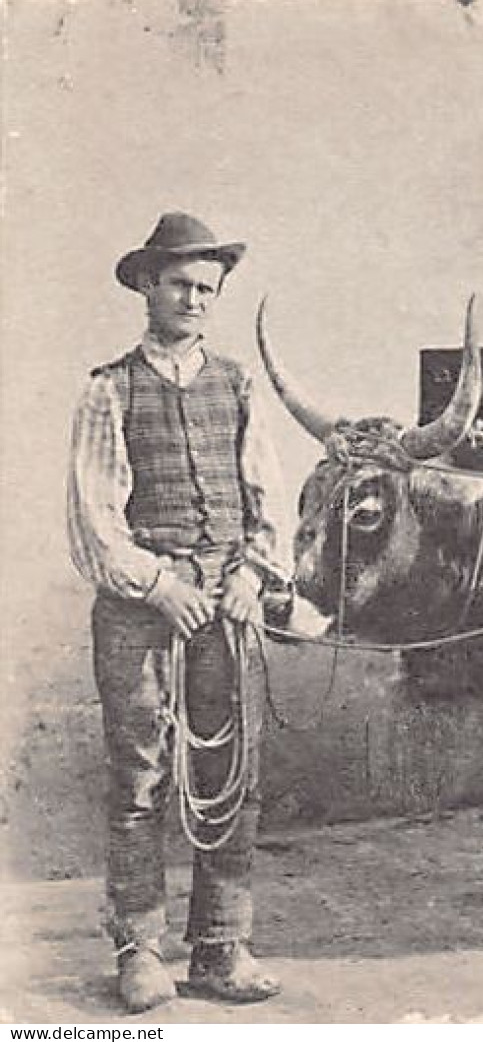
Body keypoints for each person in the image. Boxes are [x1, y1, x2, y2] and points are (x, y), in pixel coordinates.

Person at [67, 212, 284, 1012]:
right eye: (180, 284)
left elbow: (267, 496)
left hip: (228, 607)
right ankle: (139, 949)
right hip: (140, 611)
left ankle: (223, 946)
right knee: (140, 779)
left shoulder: (238, 383)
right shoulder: (108, 388)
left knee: (232, 773)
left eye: (207, 289)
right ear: (148, 287)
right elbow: (94, 517)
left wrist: (252, 574)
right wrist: (160, 585)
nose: (193, 299)